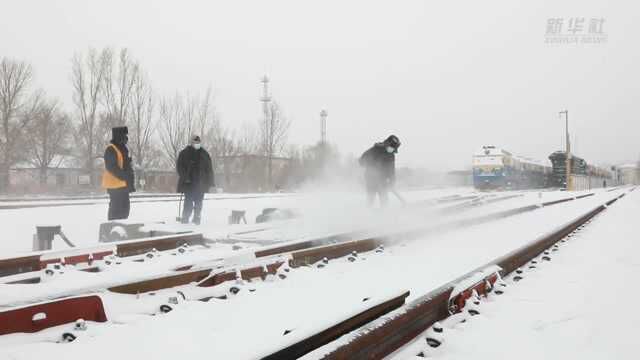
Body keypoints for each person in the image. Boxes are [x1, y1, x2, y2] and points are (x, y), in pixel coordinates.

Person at [176, 135, 214, 225]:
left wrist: (211, 183)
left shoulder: (205, 154)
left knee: (199, 203)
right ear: (191, 143)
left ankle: (197, 219)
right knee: (188, 202)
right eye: (195, 142)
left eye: (198, 142)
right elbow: (179, 167)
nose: (197, 144)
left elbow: (209, 170)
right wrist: (185, 177)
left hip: (201, 184)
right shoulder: (184, 153)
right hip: (189, 184)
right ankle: (185, 219)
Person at [102, 126, 135, 220]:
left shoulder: (122, 148)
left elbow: (125, 165)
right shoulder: (111, 148)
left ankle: (121, 228)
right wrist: (124, 176)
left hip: (123, 185)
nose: (126, 138)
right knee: (116, 210)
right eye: (124, 135)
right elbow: (111, 167)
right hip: (115, 185)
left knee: (124, 210)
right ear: (118, 136)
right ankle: (112, 229)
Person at [359, 135, 401, 207]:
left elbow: (391, 170)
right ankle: (368, 212)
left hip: (383, 181)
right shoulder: (375, 150)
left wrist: (392, 181)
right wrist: (372, 166)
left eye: (394, 148)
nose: (392, 149)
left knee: (384, 200)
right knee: (370, 198)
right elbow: (361, 161)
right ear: (387, 143)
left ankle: (384, 214)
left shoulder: (391, 155)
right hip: (371, 179)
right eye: (392, 147)